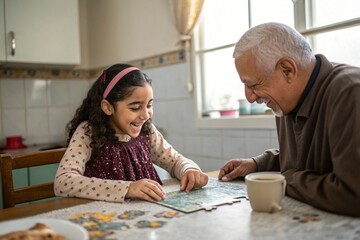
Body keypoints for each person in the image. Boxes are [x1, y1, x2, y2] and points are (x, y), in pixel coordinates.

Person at [218, 22, 360, 217]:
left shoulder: (350, 92)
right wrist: (259, 164)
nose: (250, 97)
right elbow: (312, 161)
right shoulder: (287, 100)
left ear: (287, 70)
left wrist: (284, 179)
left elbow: (353, 194)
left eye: (253, 85)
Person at [55, 63, 208, 203]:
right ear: (108, 107)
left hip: (149, 218)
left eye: (149, 105)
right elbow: (63, 182)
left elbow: (175, 162)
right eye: (135, 108)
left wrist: (189, 169)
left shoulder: (147, 131)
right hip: (104, 218)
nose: (146, 115)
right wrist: (127, 188)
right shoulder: (88, 132)